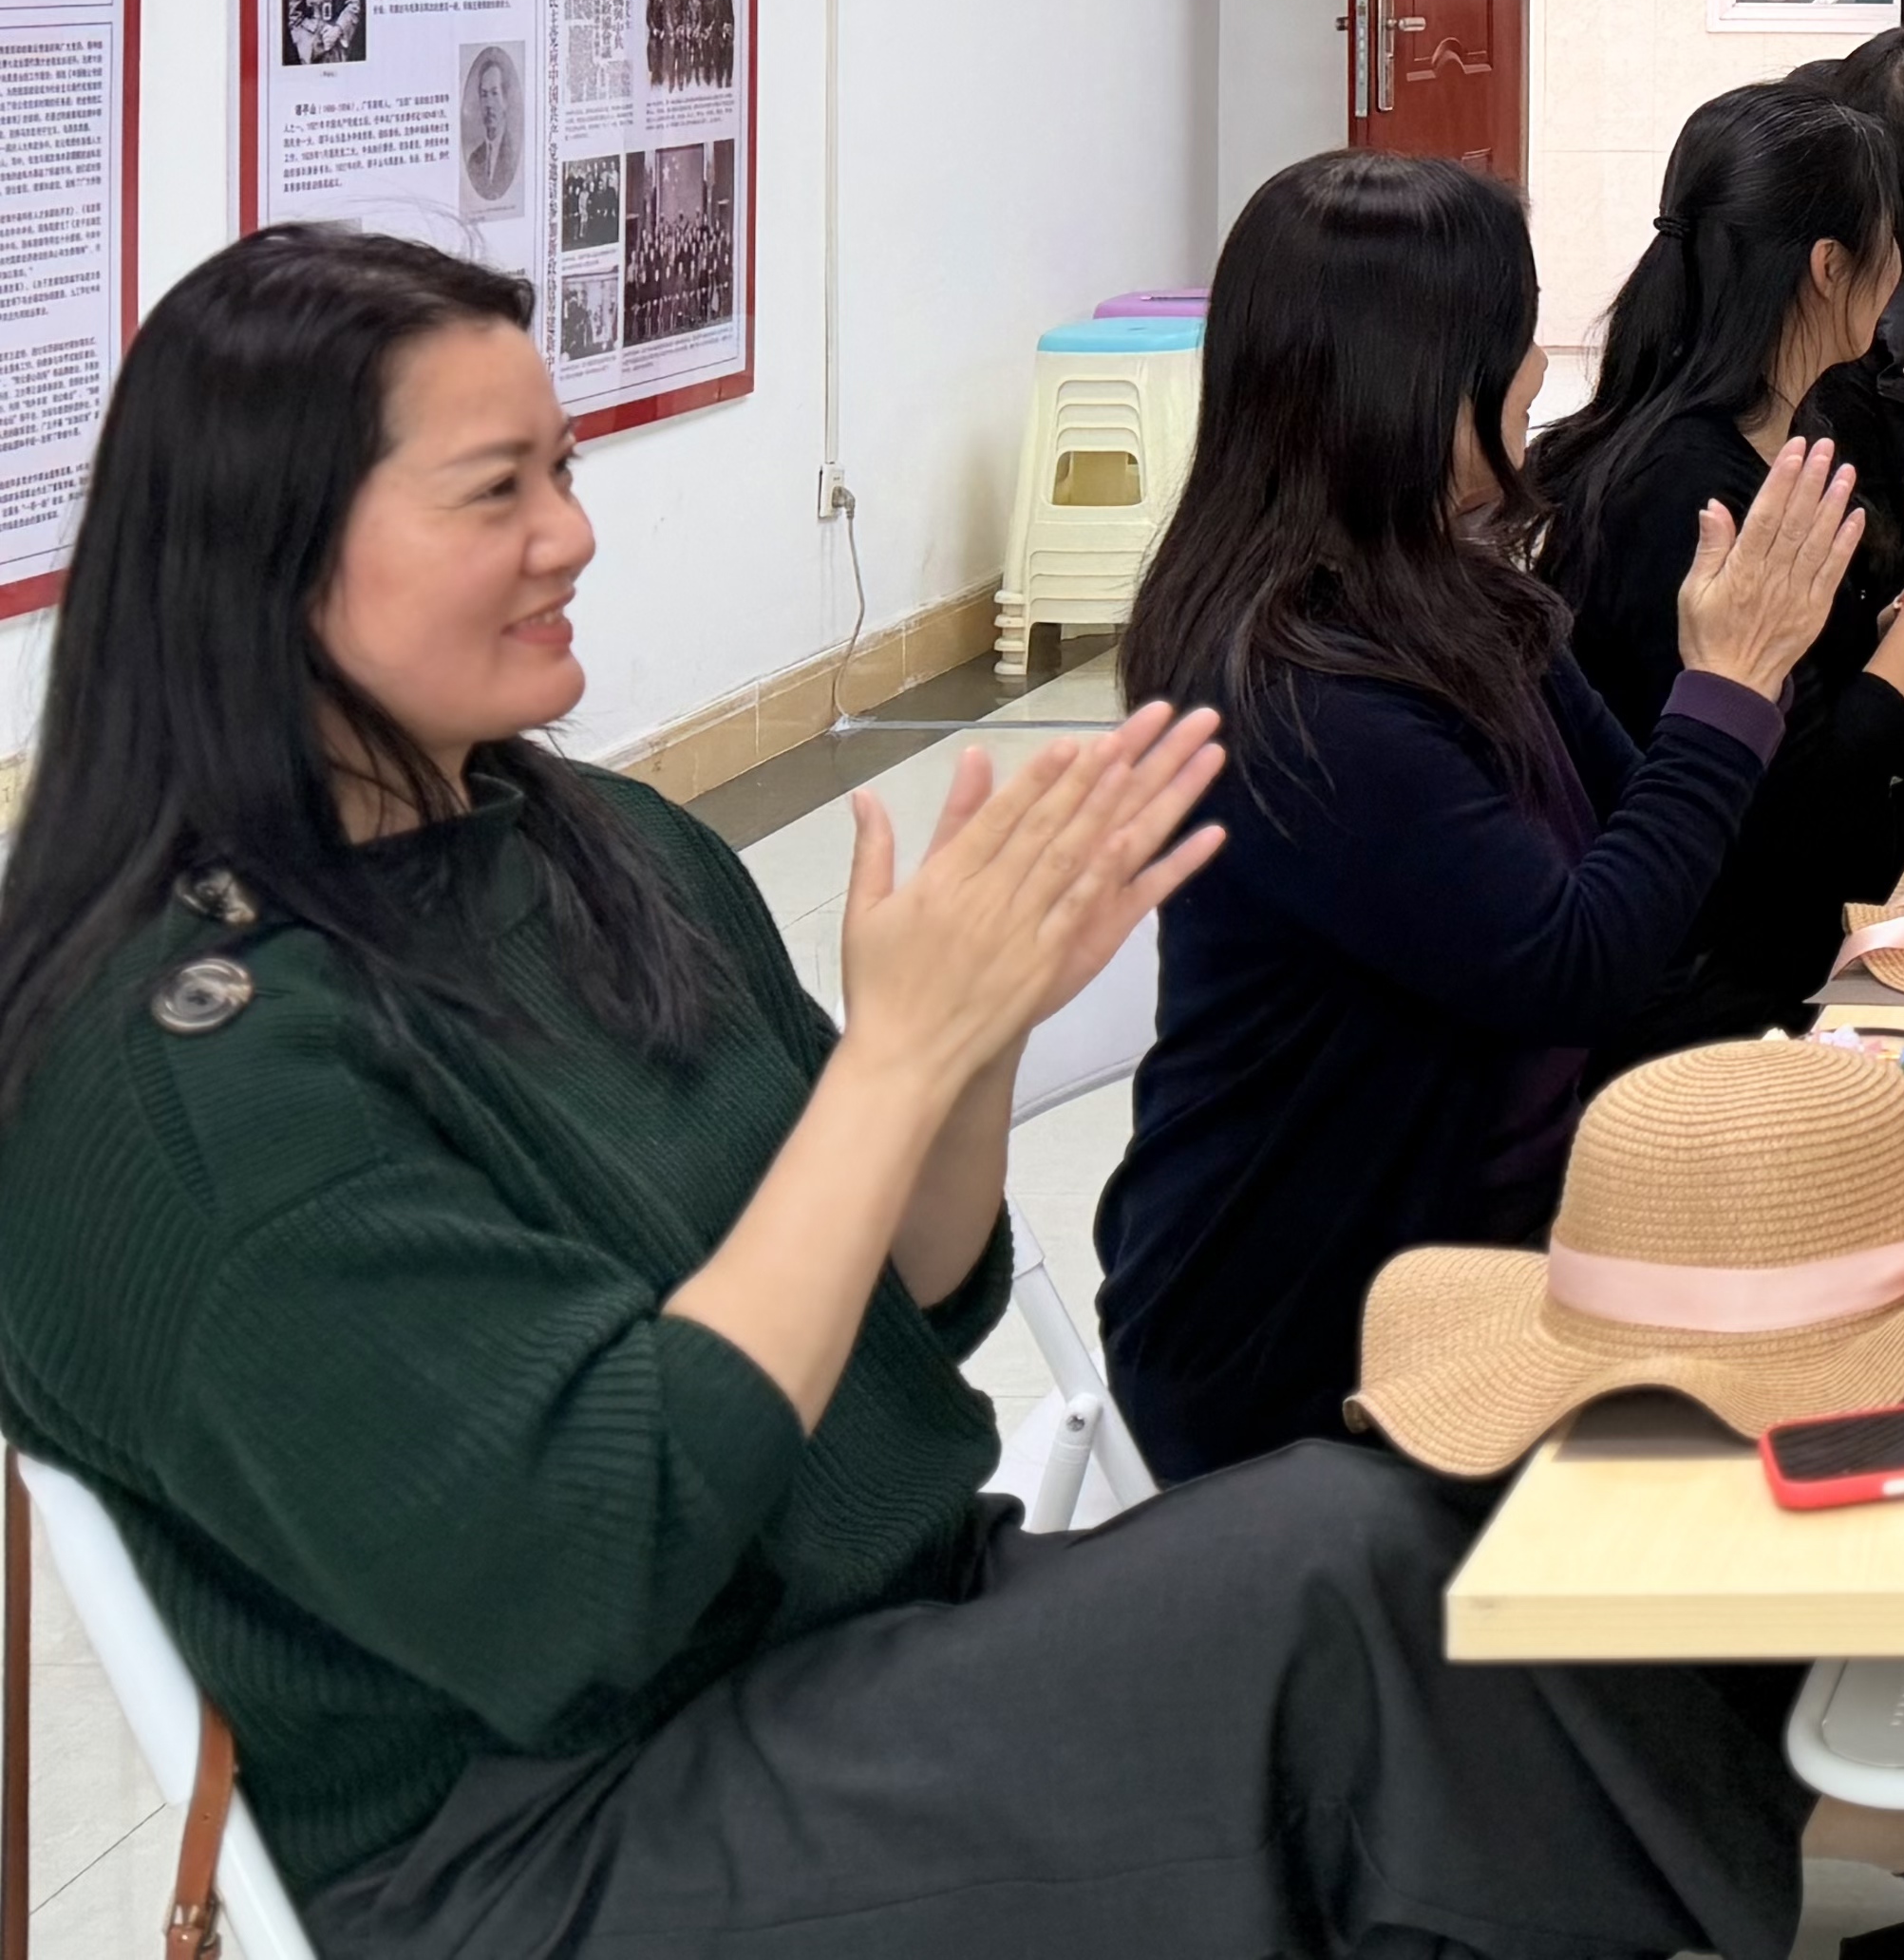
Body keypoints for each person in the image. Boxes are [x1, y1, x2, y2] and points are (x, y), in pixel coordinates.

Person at [0, 227, 1799, 1960]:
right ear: (265, 550)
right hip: (558, 1829)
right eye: (497, 490)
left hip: (870, 1639)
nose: (574, 533)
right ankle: (1805, 1863)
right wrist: (899, 1059)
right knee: (1338, 1593)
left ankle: (1808, 1842)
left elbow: (911, 1304)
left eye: (566, 467)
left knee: (1408, 1543)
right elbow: (595, 1562)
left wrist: (967, 1037)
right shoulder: (189, 1080)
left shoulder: (597, 842)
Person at [1093, 152, 1867, 1482]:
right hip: (1317, 1321)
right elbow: (1579, 965)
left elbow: (1646, 852)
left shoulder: (1455, 591)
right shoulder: (1297, 686)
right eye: (1513, 343)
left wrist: (1731, 696)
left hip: (1498, 1233)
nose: (1533, 374)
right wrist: (1728, 688)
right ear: (1415, 382)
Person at [1534, 81, 1904, 1064]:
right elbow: (1808, 819)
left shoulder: (1775, 427)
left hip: (1786, 930)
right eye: (1889, 241)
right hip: (1738, 1012)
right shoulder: (1686, 492)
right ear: (1829, 266)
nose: (1902, 269)